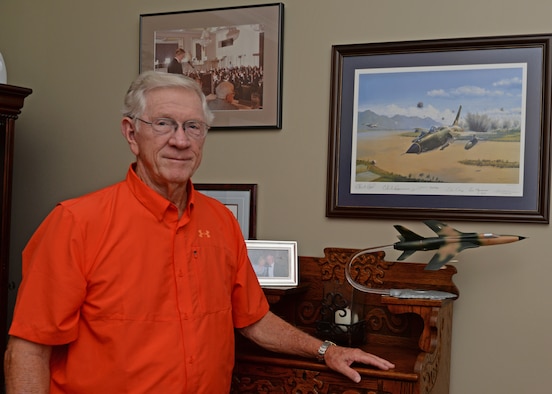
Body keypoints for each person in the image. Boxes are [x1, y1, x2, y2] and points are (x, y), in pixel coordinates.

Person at [4, 71, 394, 393]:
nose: (180, 140)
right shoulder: (75, 223)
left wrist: (326, 350)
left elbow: (253, 319)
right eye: (163, 124)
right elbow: (28, 350)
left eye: (194, 127)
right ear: (130, 133)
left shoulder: (220, 221)